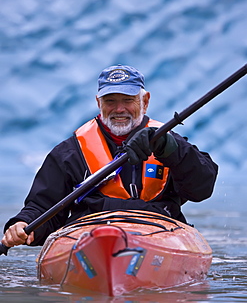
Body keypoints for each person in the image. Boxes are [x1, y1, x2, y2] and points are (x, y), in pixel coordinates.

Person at [1, 64, 218, 247]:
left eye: (128, 100)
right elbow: (43, 208)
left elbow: (201, 188)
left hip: (160, 235)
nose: (119, 108)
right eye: (110, 101)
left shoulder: (169, 142)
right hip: (90, 239)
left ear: (145, 101)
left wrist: (170, 149)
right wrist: (23, 223)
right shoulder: (70, 153)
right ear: (99, 103)